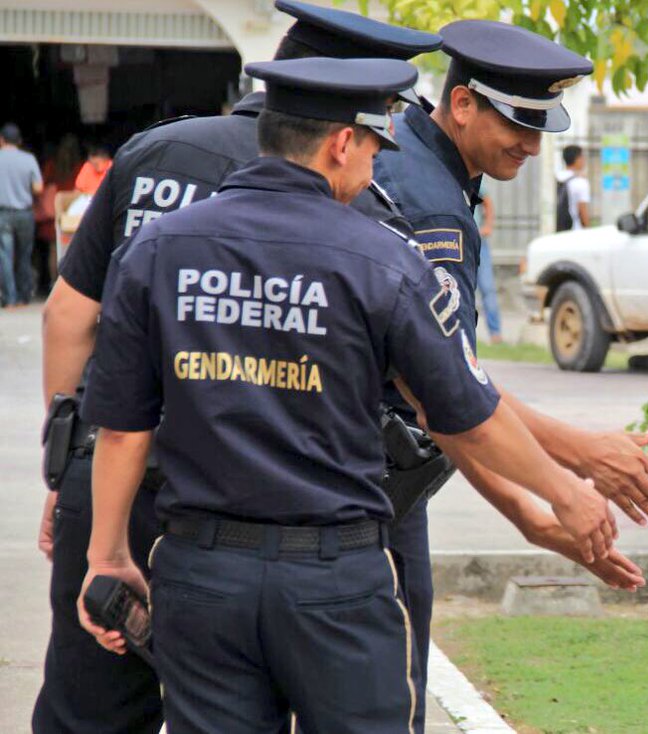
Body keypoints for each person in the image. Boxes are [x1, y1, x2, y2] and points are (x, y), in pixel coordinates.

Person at [76, 56, 615, 734]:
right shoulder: (384, 258)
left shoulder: (157, 249)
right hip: (333, 584)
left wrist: (107, 554)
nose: (374, 170)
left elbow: (123, 428)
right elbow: (465, 415)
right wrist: (566, 495)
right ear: (340, 143)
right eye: (373, 147)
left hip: (201, 577)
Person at [36, 3, 442, 732]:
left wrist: (69, 472)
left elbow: (68, 316)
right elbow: (431, 388)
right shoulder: (360, 204)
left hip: (121, 489)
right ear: (349, 126)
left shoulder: (150, 153)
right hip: (268, 514)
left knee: (90, 712)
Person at [372, 19, 648, 730]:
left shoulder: (429, 170)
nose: (532, 145)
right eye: (517, 122)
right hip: (359, 499)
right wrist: (575, 466)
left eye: (541, 126)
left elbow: (447, 403)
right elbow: (448, 396)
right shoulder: (427, 204)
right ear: (461, 106)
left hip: (387, 481)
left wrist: (533, 518)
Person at [0, 122, 42, 307]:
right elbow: (38, 188)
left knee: (5, 256)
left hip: (3, 214)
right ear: (19, 141)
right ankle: (24, 298)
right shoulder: (28, 159)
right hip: (25, 213)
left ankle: (9, 298)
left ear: (1, 140)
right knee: (25, 256)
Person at [473, 179, 503, 343]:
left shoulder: (473, 179)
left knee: (487, 288)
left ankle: (495, 333)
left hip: (478, 240)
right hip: (458, 239)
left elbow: (487, 202)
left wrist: (488, 226)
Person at [557, 143, 589, 230]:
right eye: (582, 157)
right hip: (573, 230)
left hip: (558, 227)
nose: (584, 160)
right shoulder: (581, 182)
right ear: (577, 159)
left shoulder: (557, 177)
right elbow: (583, 211)